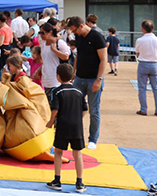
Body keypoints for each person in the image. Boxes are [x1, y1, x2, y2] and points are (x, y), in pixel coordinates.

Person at [46, 63, 88, 194]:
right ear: (72, 77)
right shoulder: (79, 92)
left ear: (58, 77)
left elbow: (55, 109)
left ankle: (57, 180)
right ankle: (79, 183)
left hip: (63, 125)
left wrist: (50, 122)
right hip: (76, 126)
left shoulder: (56, 91)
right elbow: (85, 109)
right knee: (77, 153)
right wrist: (77, 118)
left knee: (58, 152)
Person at [67, 16, 107, 149]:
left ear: (81, 26)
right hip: (79, 77)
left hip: (93, 78)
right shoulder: (79, 37)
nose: (74, 34)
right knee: (74, 107)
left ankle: (93, 139)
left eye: (75, 31)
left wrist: (99, 79)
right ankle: (74, 136)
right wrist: (74, 71)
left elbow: (103, 59)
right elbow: (79, 55)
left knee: (94, 110)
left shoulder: (97, 37)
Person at [135, 20, 157, 117]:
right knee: (156, 88)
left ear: (143, 29)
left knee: (142, 88)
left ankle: (144, 109)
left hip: (143, 63)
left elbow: (137, 53)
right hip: (155, 64)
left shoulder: (139, 40)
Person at [40, 23, 71, 99]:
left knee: (55, 105)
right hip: (46, 79)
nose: (41, 35)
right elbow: (44, 61)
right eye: (40, 33)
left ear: (50, 32)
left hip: (57, 80)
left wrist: (54, 50)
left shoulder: (59, 43)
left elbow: (66, 56)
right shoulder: (43, 45)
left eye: (43, 33)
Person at [0, 14, 13, 81]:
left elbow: (0, 42)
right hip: (8, 47)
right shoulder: (9, 29)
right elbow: (11, 41)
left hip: (2, 49)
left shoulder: (2, 30)